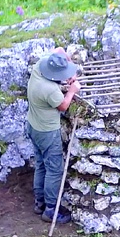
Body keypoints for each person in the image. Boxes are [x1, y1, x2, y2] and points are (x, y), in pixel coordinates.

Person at [26, 47, 81, 224]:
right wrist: (72, 90)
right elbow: (63, 106)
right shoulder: (50, 90)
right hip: (47, 132)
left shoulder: (39, 67)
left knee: (41, 164)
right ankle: (51, 210)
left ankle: (39, 202)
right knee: (54, 169)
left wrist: (69, 66)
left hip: (33, 125)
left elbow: (58, 50)